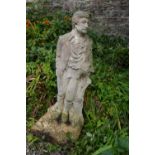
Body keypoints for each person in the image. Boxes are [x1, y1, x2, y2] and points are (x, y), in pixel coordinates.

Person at [49, 10, 94, 127]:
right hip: (65, 70)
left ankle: (66, 112)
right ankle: (59, 108)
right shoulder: (64, 39)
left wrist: (84, 69)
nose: (87, 26)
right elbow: (58, 55)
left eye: (87, 23)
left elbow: (89, 60)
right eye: (84, 22)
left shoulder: (88, 42)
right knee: (62, 91)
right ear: (75, 24)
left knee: (70, 93)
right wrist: (58, 67)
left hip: (77, 73)